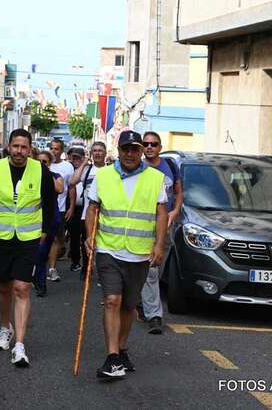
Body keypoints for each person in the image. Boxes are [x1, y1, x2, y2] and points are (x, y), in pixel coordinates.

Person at [85, 130, 169, 380]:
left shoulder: (156, 178)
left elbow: (161, 213)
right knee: (112, 300)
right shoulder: (103, 175)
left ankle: (121, 350)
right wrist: (89, 235)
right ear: (118, 151)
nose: (130, 154)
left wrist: (159, 245)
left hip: (140, 252)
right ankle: (112, 358)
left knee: (129, 305)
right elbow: (93, 208)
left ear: (141, 151)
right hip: (109, 249)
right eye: (126, 149)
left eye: (135, 149)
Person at [0, 129, 57, 367]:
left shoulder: (40, 170)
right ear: (8, 147)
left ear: (30, 149)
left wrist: (45, 231)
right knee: (5, 286)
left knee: (22, 288)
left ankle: (20, 345)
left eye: (24, 147)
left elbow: (50, 204)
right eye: (15, 146)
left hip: (28, 239)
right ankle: (4, 327)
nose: (19, 151)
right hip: (1, 237)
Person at [137, 132, 183, 335]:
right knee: (151, 270)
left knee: (157, 269)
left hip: (167, 225)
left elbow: (179, 192)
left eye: (153, 144)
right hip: (146, 226)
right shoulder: (138, 168)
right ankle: (154, 316)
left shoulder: (170, 166)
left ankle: (139, 300)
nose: (149, 147)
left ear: (160, 147)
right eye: (146, 144)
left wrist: (175, 211)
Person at [70, 141, 107, 278]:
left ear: (105, 153)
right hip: (87, 214)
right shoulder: (87, 170)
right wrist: (84, 163)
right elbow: (72, 182)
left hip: (106, 215)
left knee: (104, 244)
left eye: (100, 150)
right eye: (95, 150)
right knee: (87, 242)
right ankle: (86, 269)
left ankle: (104, 272)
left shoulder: (111, 170)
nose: (97, 153)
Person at [33, 150, 64, 297]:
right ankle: (40, 283)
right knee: (39, 252)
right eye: (38, 162)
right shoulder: (31, 176)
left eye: (44, 162)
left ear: (50, 163)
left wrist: (46, 174)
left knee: (43, 252)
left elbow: (59, 188)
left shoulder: (55, 176)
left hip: (51, 219)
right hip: (35, 218)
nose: (41, 164)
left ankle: (38, 278)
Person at [46, 138, 75, 283]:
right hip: (41, 208)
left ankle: (52, 268)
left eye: (56, 149)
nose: (53, 151)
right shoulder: (43, 163)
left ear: (62, 151)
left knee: (57, 239)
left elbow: (71, 187)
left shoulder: (67, 167)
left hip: (60, 208)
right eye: (51, 148)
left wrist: (71, 206)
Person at [65, 146, 87, 273]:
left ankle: (86, 263)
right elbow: (71, 184)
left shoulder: (88, 169)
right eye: (74, 158)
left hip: (86, 207)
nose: (76, 160)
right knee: (74, 235)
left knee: (85, 236)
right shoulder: (70, 169)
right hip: (74, 207)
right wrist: (71, 207)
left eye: (78, 158)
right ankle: (75, 261)